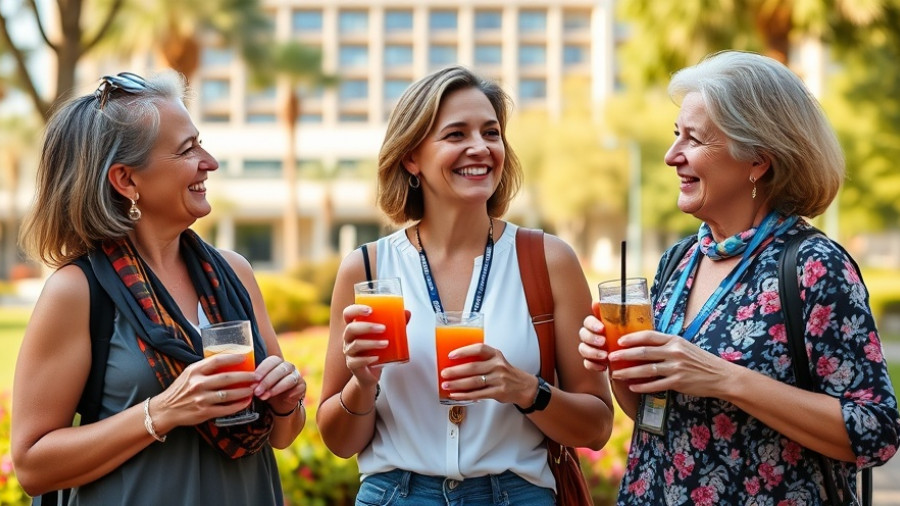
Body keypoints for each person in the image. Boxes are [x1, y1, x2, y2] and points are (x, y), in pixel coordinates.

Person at [577, 50, 900, 504]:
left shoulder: (813, 266)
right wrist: (622, 366)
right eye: (676, 136)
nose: (672, 156)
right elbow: (654, 416)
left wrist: (723, 378)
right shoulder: (680, 260)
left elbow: (876, 432)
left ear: (757, 160)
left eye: (694, 140)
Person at [317, 65, 614, 505]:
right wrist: (362, 383)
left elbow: (597, 426)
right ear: (411, 157)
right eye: (456, 135)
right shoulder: (367, 268)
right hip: (396, 495)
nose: (480, 148)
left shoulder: (548, 260)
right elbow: (339, 442)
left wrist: (524, 389)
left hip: (517, 495)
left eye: (491, 133)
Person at [11, 71, 306, 505]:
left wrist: (285, 402)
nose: (210, 161)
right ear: (126, 180)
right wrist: (163, 410)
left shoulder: (234, 273)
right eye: (188, 149)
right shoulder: (78, 291)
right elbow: (32, 466)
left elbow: (282, 435)